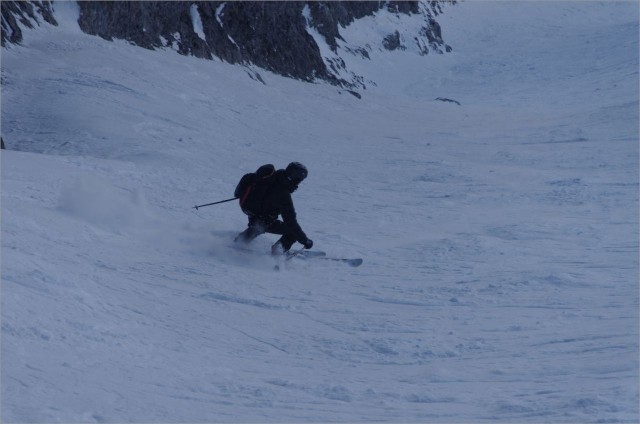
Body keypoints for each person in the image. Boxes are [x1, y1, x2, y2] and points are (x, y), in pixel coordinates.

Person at [234, 162, 313, 255]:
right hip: (263, 218)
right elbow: (291, 222)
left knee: (260, 224)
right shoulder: (284, 195)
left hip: (252, 211)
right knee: (291, 232)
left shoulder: (272, 177)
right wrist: (305, 240)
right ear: (295, 178)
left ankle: (239, 242)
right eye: (300, 180)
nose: (299, 183)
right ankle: (277, 252)